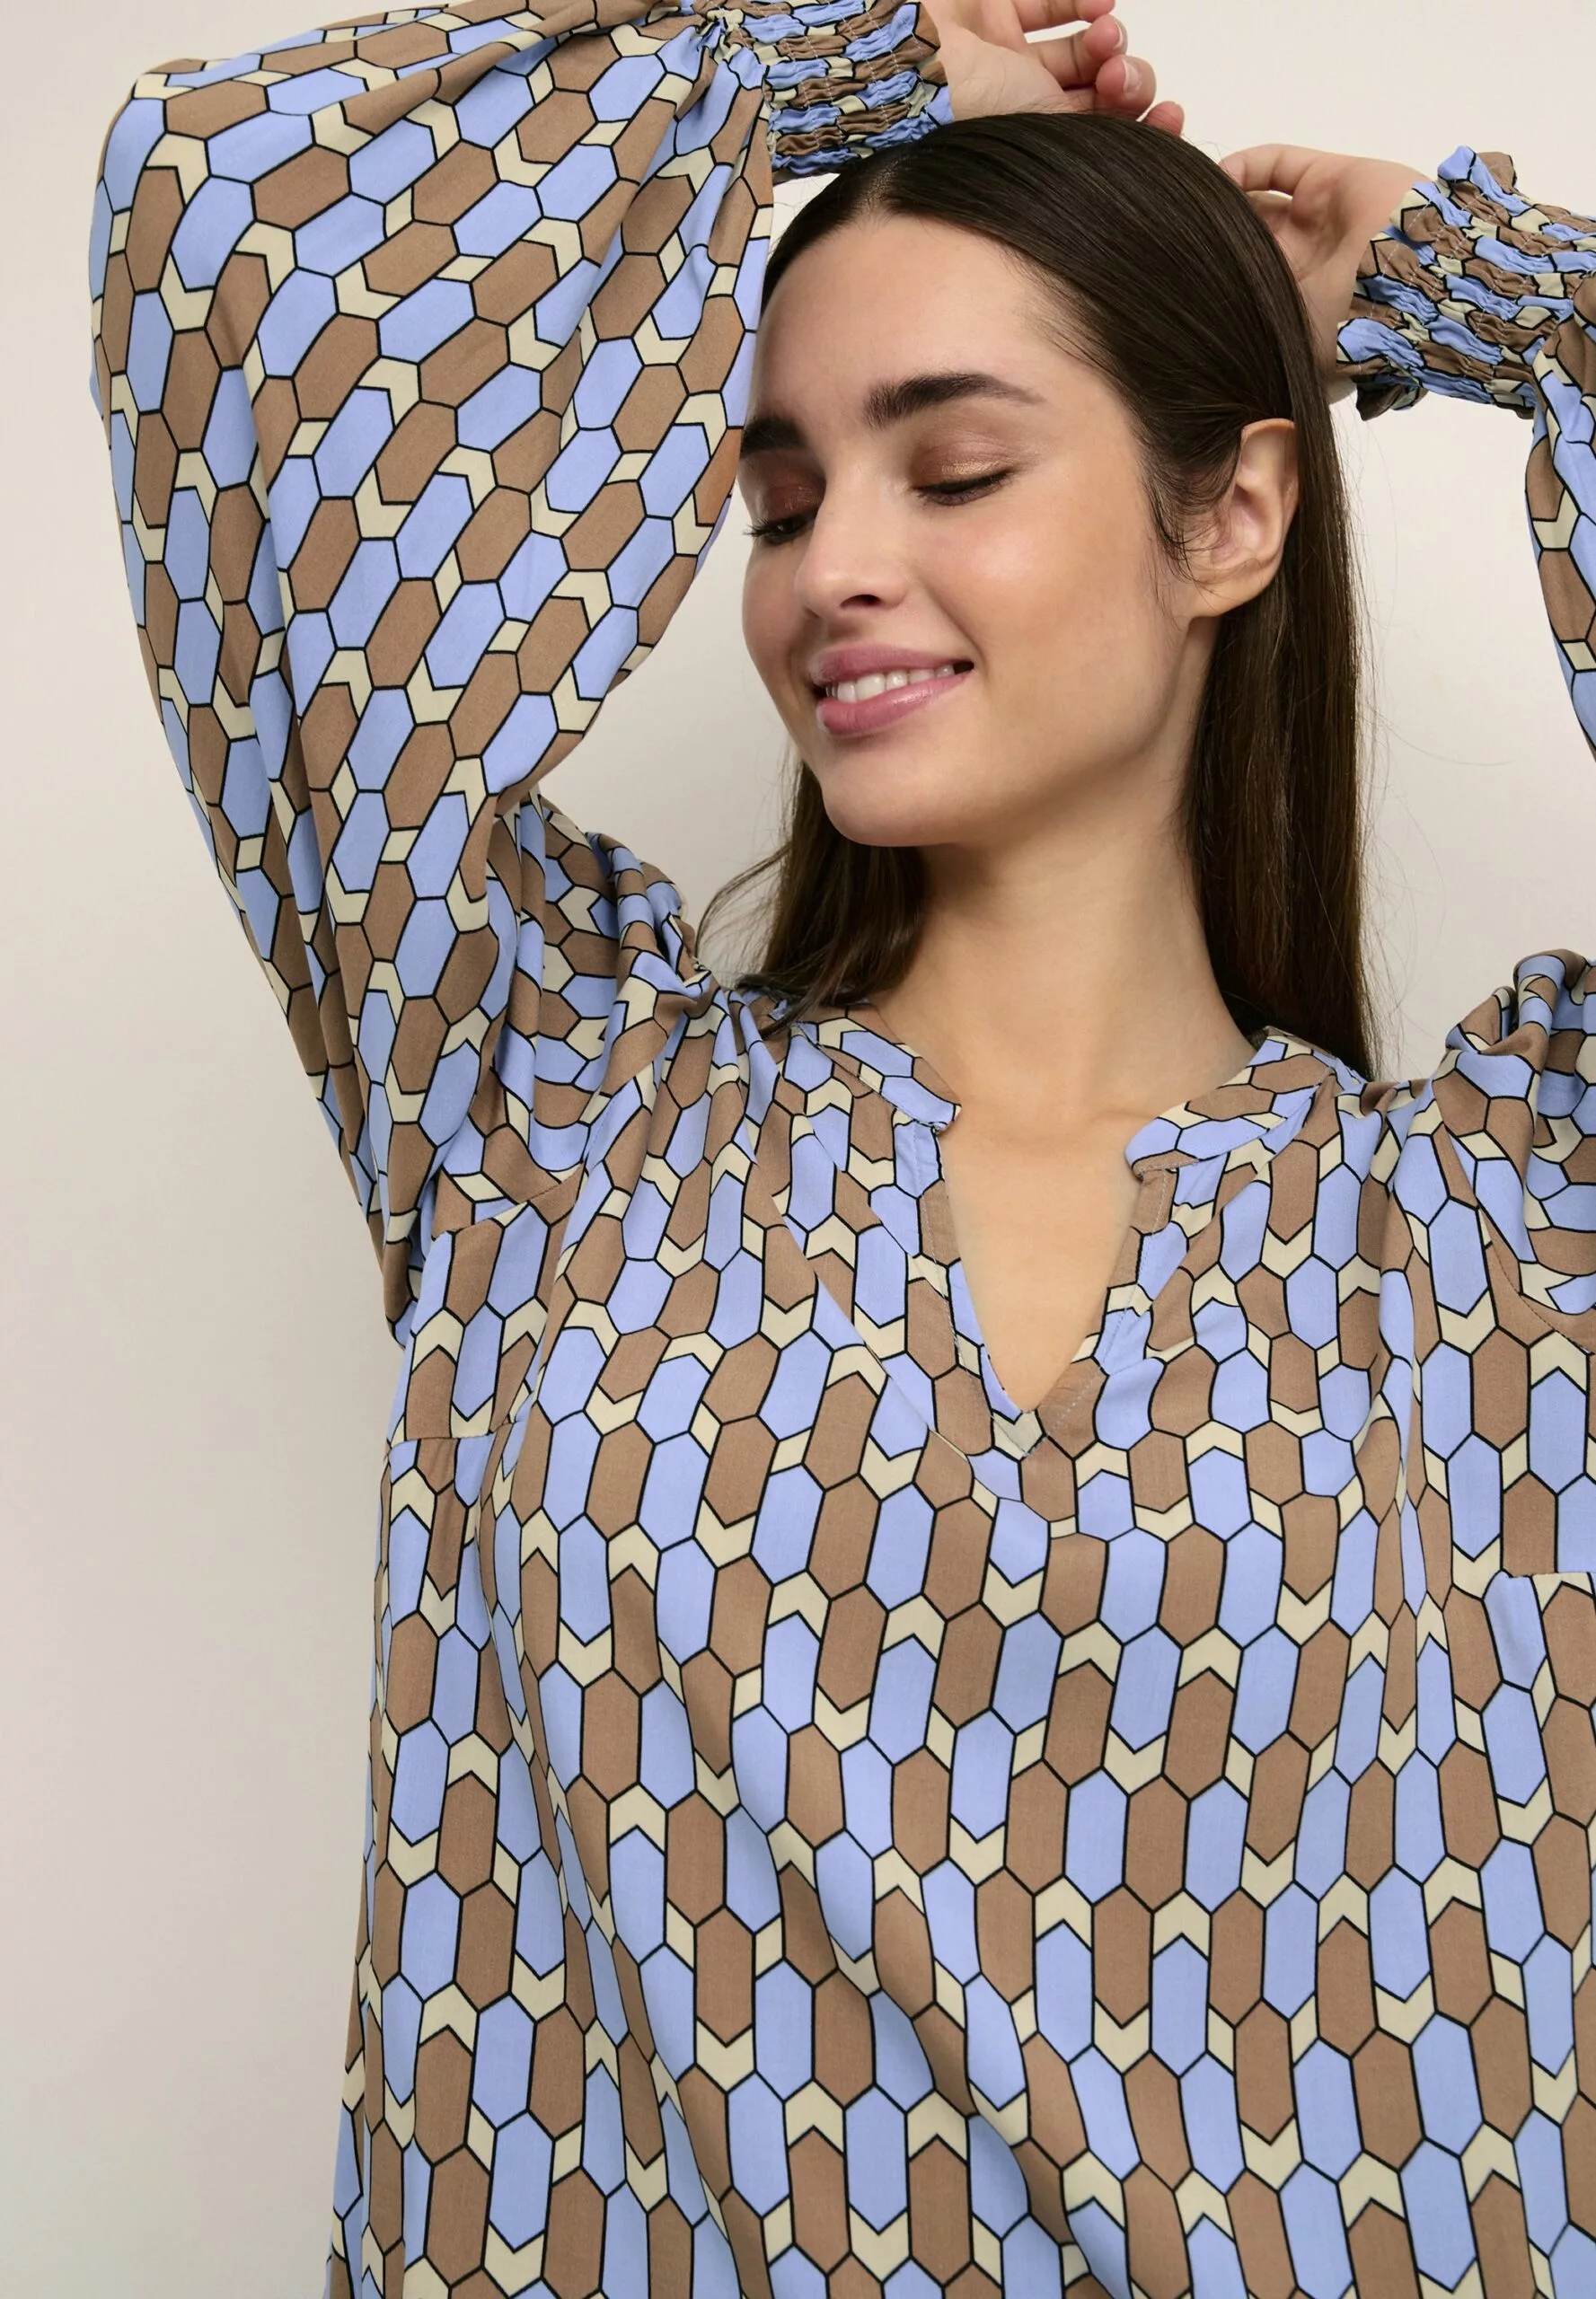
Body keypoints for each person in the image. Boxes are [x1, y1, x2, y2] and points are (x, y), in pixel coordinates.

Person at [89, 0, 1596, 2289]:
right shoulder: (544, 1103)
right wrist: (828, 77)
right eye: (781, 498)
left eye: (954, 469)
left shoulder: (1518, 1227)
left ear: (1233, 513)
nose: (827, 574)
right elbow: (212, 204)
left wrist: (1480, 284)